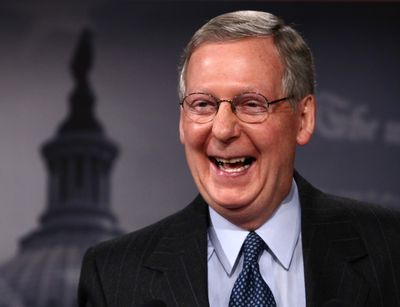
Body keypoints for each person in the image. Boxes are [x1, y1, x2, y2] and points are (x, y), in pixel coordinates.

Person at [78, 10, 400, 307]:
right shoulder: (114, 279)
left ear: (303, 118)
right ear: (181, 121)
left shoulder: (389, 250)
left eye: (251, 104)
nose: (222, 129)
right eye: (203, 104)